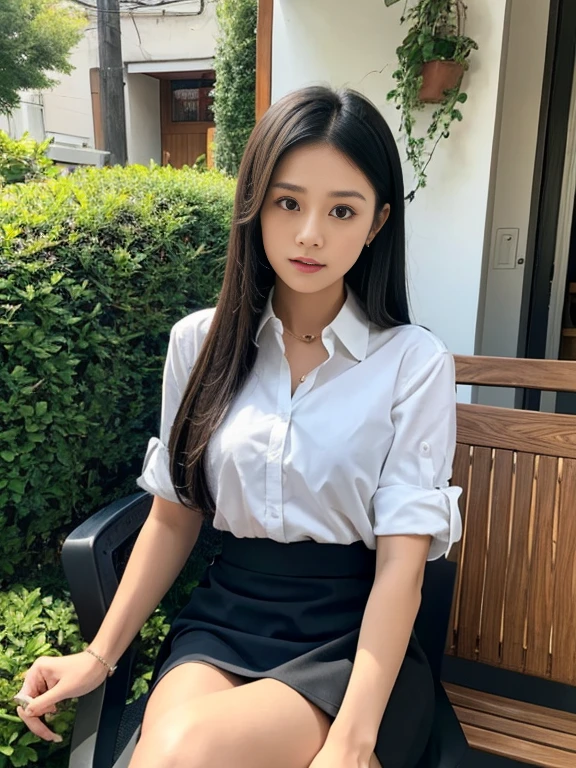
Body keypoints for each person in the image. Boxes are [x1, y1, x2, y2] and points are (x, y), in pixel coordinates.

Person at [14, 86, 462, 768]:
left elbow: (403, 569)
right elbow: (172, 518)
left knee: (182, 753)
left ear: (376, 223)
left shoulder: (412, 363)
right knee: (163, 755)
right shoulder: (201, 343)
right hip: (225, 620)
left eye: (342, 210)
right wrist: (99, 655)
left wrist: (351, 740)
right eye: (288, 202)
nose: (311, 232)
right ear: (254, 205)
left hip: (352, 636)